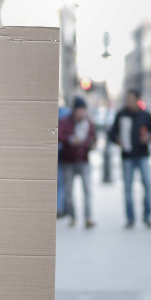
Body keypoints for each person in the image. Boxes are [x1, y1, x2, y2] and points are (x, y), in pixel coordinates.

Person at [108, 90, 151, 228]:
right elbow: (112, 133)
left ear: (137, 99)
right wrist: (118, 140)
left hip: (142, 155)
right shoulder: (121, 114)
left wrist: (149, 136)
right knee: (128, 188)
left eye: (131, 99)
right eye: (127, 99)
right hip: (127, 156)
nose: (128, 101)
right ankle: (130, 218)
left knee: (148, 184)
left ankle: (147, 215)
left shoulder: (145, 115)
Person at [58, 97, 97, 228]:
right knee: (69, 191)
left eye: (83, 110)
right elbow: (57, 134)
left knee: (87, 189)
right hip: (68, 160)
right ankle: (72, 216)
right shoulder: (64, 122)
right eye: (79, 109)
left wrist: (89, 144)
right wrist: (69, 139)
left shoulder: (89, 123)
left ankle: (88, 217)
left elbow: (93, 137)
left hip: (84, 160)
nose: (81, 112)